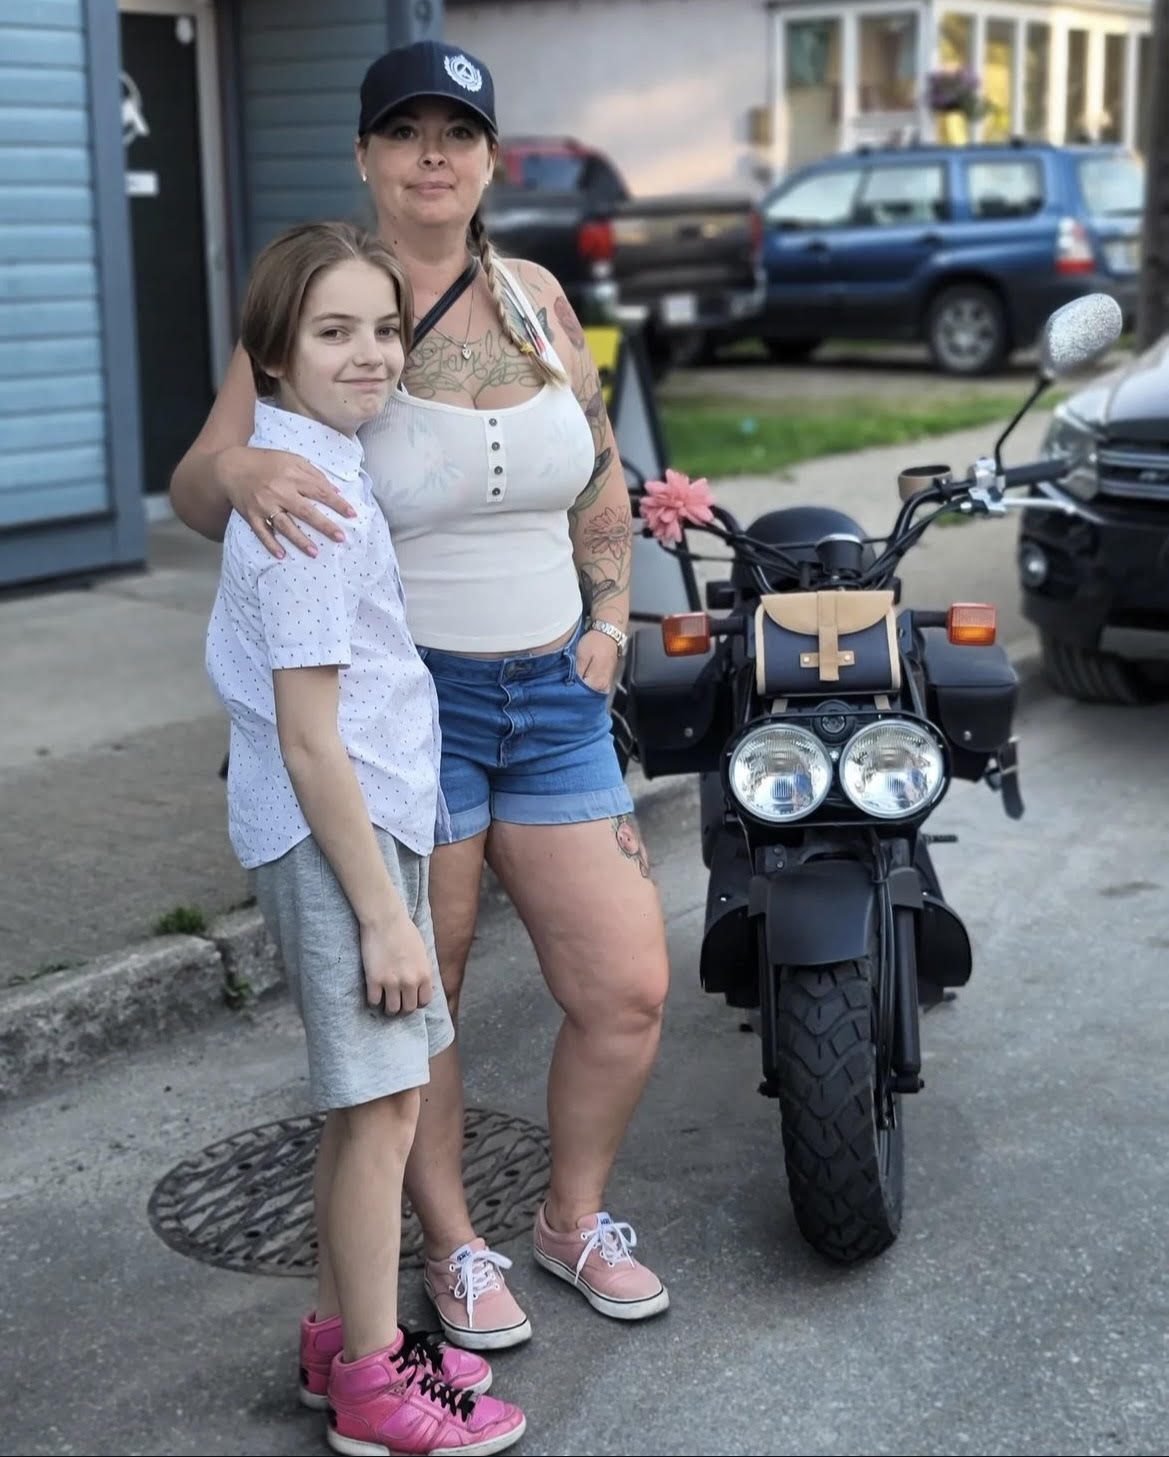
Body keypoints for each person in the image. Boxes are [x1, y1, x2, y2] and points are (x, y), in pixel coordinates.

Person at [172, 39, 671, 1351]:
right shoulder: (329, 309)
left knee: (625, 989)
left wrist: (612, 620)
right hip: (413, 709)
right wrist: (234, 481)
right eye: (406, 133)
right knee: (421, 988)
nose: (433, 155)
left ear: (492, 159)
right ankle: (453, 1247)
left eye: (459, 132)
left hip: (557, 692)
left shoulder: (537, 298)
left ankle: (569, 1217)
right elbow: (200, 474)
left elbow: (601, 471)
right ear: (365, 156)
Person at [205, 218, 526, 1454]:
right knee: (384, 1107)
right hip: (337, 836)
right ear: (273, 353)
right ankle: (375, 1385)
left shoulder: (313, 463)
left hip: (359, 822)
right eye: (334, 331)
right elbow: (305, 737)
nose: (371, 353)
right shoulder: (303, 505)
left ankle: (345, 1338)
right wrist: (388, 914)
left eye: (385, 327)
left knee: (367, 1105)